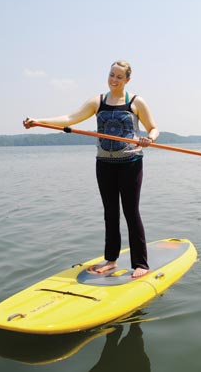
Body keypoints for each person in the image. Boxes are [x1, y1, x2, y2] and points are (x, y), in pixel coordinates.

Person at [23, 60, 159, 278]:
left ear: (127, 79)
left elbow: (153, 128)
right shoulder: (98, 101)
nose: (114, 80)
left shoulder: (136, 102)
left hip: (130, 163)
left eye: (119, 77)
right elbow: (70, 118)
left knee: (131, 212)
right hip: (104, 164)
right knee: (110, 212)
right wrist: (39, 121)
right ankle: (111, 260)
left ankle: (141, 264)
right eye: (111, 75)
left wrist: (149, 139)